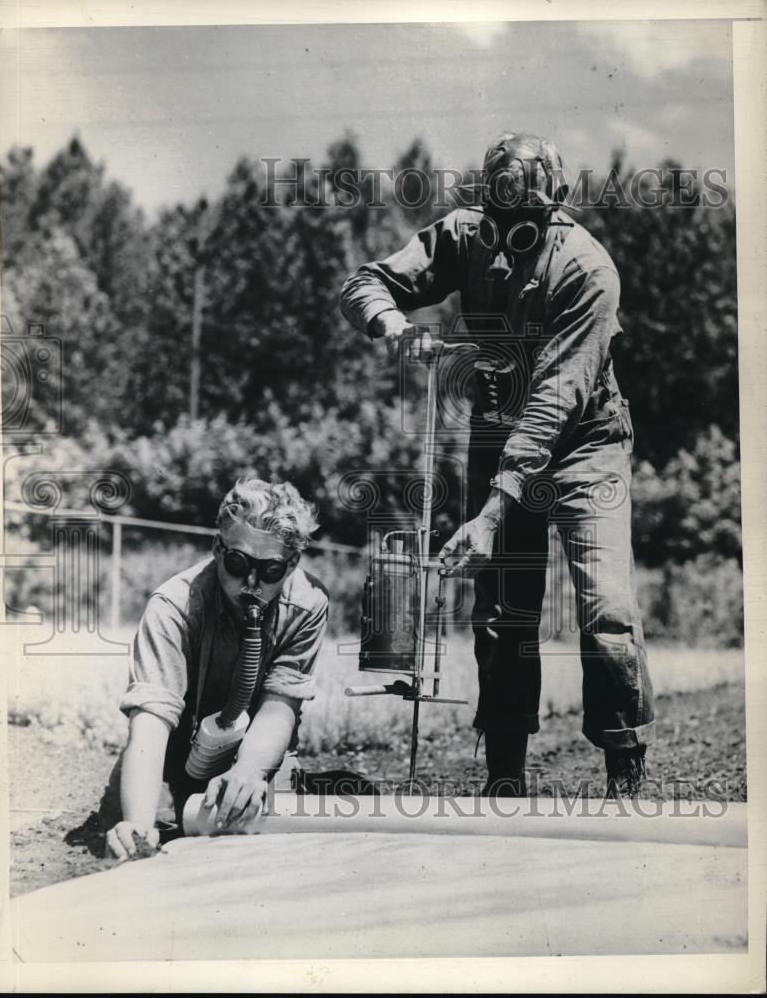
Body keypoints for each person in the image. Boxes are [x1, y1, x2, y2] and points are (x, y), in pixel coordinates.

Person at [340, 131, 654, 798]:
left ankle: (622, 766)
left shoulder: (587, 271)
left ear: (555, 210)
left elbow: (554, 401)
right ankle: (504, 773)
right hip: (496, 434)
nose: (510, 236)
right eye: (500, 219)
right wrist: (397, 330)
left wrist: (490, 510)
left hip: (583, 444)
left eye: (527, 222)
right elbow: (366, 283)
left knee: (607, 608)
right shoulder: (463, 234)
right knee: (503, 612)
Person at [97, 477, 329, 860]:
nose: (250, 583)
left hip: (256, 748)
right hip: (174, 752)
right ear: (218, 549)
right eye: (238, 563)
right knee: (124, 836)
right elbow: (151, 721)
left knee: (277, 845)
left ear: (291, 564)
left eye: (269, 571)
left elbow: (279, 705)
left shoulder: (307, 604)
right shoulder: (173, 606)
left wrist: (249, 771)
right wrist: (137, 823)